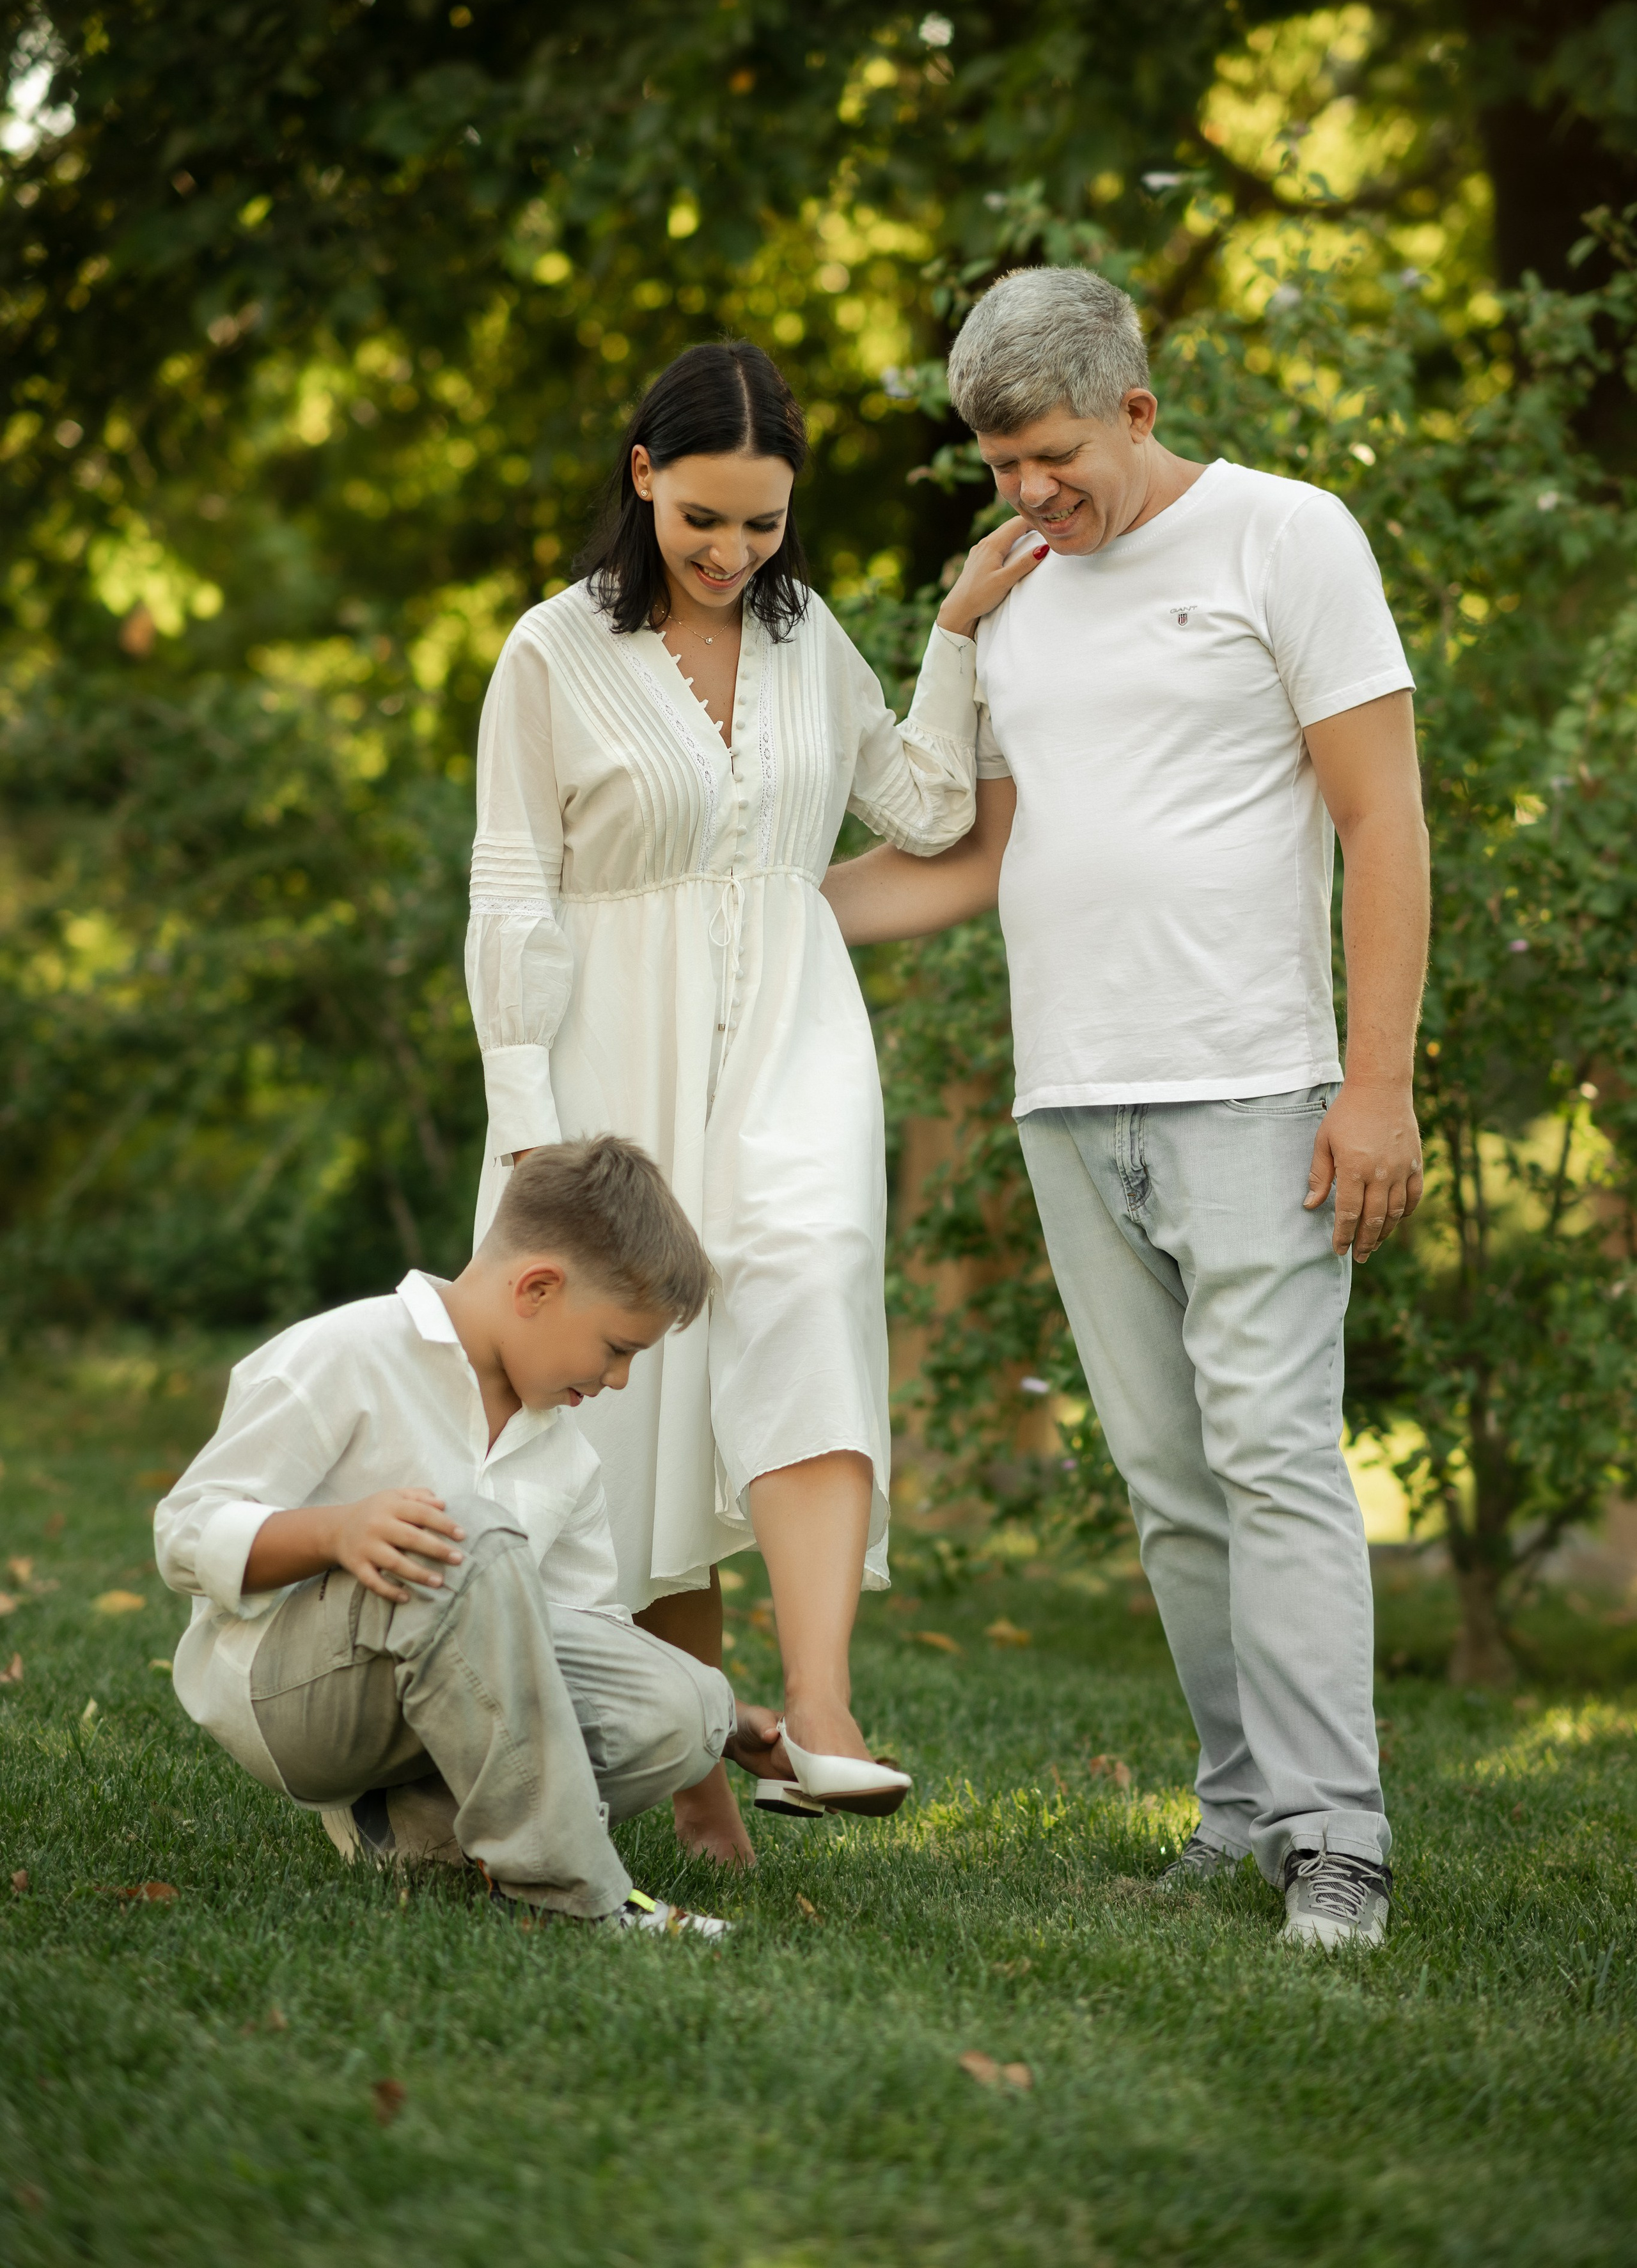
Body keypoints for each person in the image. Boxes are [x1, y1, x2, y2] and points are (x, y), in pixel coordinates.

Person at [822, 267, 1429, 1950]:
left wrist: (1376, 1083)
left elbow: (1383, 819)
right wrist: (750, 906)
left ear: (1138, 410)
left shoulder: (1287, 539)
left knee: (1277, 1462)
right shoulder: (1015, 599)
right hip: (1072, 1100)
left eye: (1054, 455)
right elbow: (976, 860)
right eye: (1001, 466)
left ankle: (1342, 1839)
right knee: (1171, 1481)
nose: (1028, 494)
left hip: (1258, 1085)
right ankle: (1244, 1812)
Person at [464, 341, 1046, 1864]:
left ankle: (823, 1710)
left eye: (764, 526)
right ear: (642, 477)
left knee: (802, 1280)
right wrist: (527, 1112)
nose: (731, 556)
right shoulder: (549, 651)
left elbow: (921, 809)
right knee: (635, 1384)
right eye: (702, 521)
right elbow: (512, 889)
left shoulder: (808, 644)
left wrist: (958, 635)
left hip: (794, 1035)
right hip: (601, 1055)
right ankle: (704, 1779)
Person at [154, 1136, 754, 1936]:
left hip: (448, 1705)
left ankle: (411, 1834)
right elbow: (184, 1533)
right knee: (464, 1527)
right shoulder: (345, 1352)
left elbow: (584, 1641)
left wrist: (728, 1717)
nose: (618, 1381)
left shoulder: (567, 1453)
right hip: (294, 1699)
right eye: (617, 1350)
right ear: (537, 1288)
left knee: (683, 1703)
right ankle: (575, 1897)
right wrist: (336, 1531)